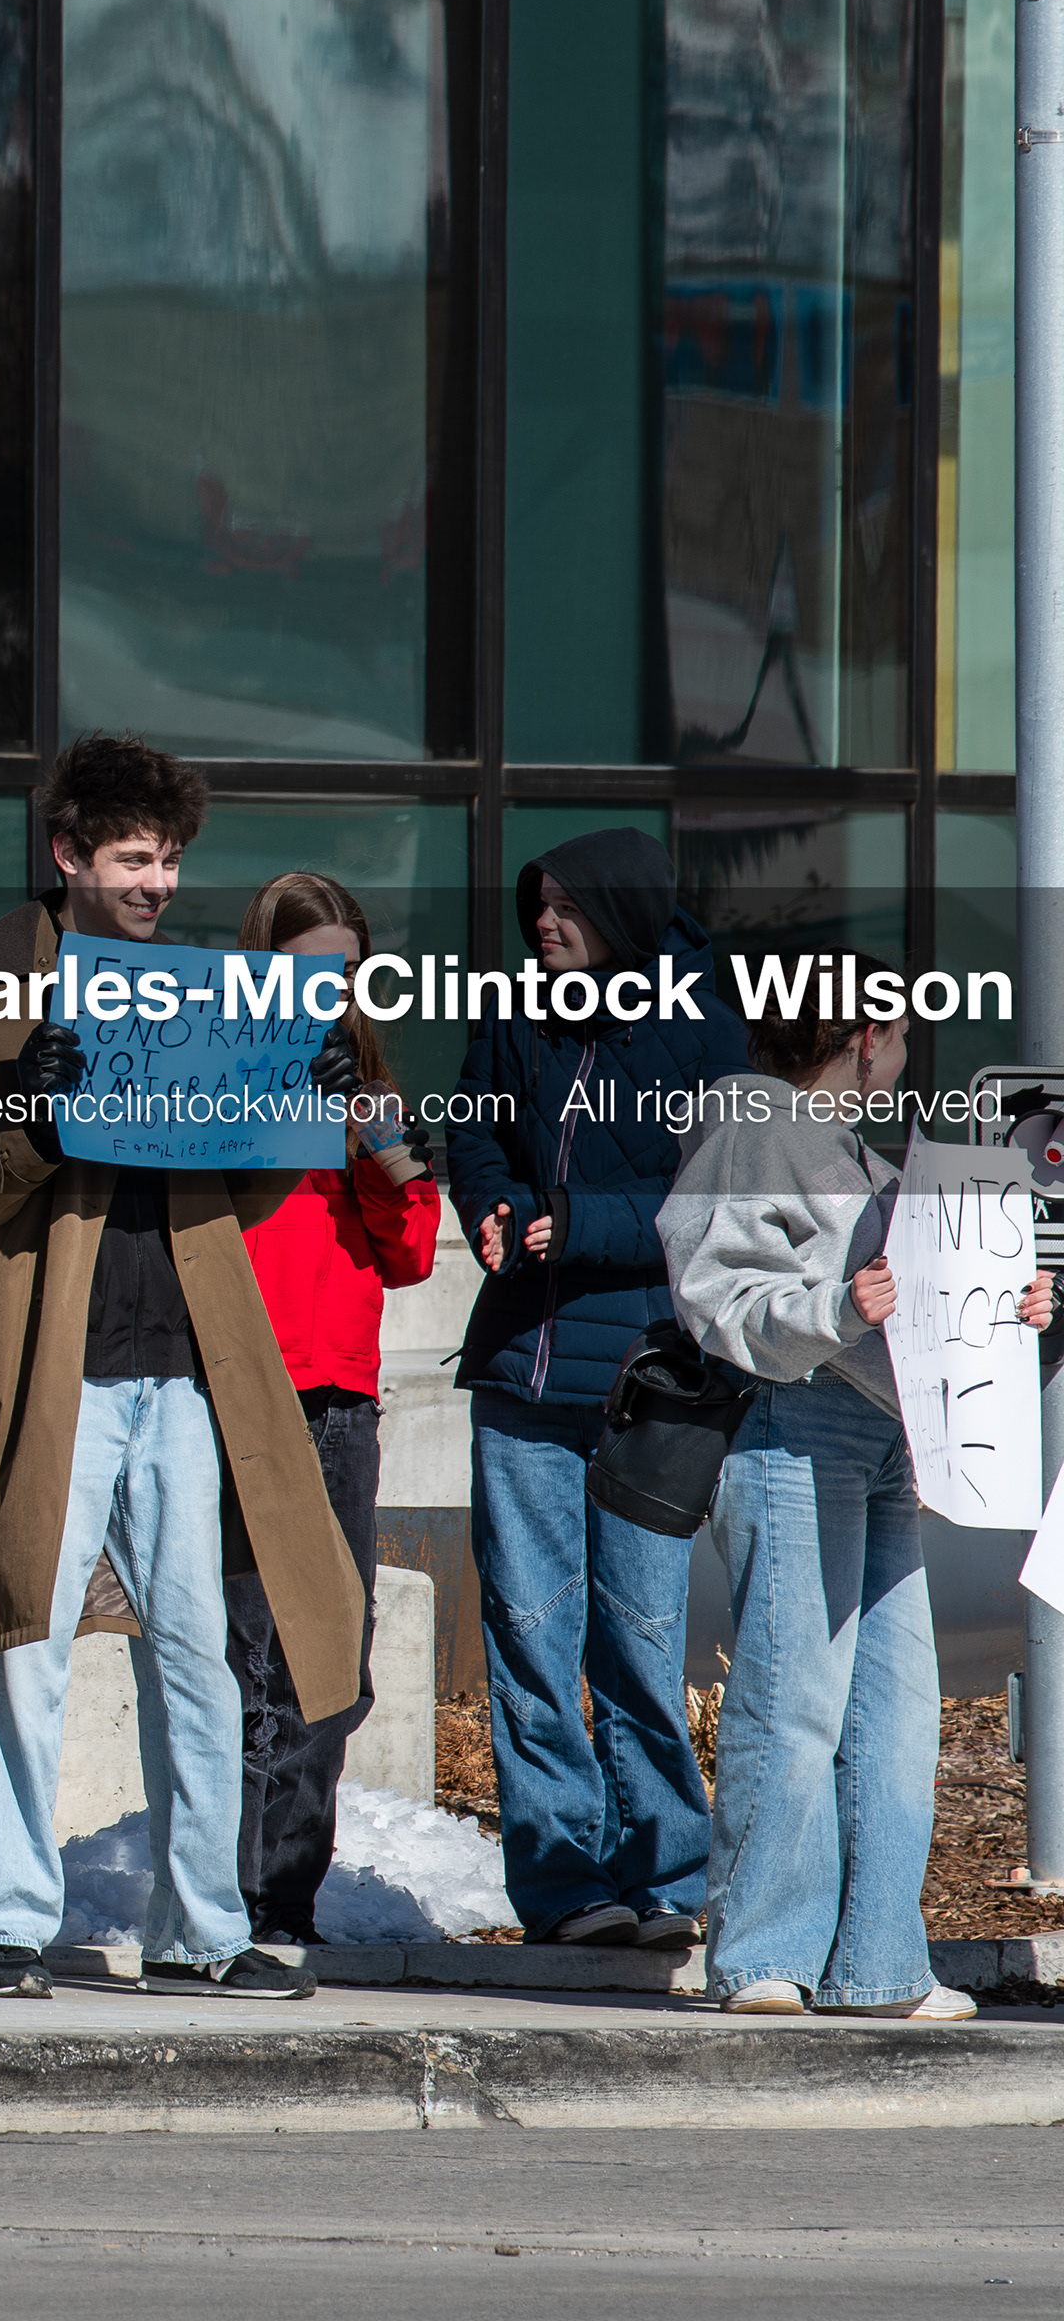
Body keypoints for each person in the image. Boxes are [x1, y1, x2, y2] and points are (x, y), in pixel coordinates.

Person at [0, 732, 358, 2004]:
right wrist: (31, 1119)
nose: (157, 881)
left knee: (196, 1654)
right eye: (132, 857)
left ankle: (204, 1927)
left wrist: (298, 1104)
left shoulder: (205, 991)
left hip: (189, 1369)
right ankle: (1, 1920)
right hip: (55, 1363)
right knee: (25, 1643)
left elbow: (248, 1186)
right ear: (68, 855)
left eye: (169, 858)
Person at [663, 961, 1036, 2022]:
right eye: (906, 1036)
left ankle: (875, 1957)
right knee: (797, 1693)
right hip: (796, 1421)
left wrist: (1013, 1310)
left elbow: (900, 1299)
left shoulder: (858, 1154)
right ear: (866, 1034)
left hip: (881, 1432)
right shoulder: (751, 1117)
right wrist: (837, 1303)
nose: (909, 1057)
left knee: (894, 1707)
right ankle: (767, 1954)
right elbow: (711, 1284)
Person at [447, 828, 748, 1948]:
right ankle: (565, 1885)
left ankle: (667, 1873)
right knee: (529, 1637)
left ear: (621, 913)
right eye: (539, 904)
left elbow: (708, 1192)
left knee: (638, 1638)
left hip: (650, 1383)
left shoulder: (701, 1027)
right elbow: (473, 1131)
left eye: (568, 906)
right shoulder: (513, 1012)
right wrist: (482, 1202)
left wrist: (579, 1224)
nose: (545, 923)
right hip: (522, 1368)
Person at [226, 871, 441, 1945]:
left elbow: (408, 1255)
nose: (328, 991)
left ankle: (283, 1899)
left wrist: (376, 1144)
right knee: (245, 1651)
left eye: (346, 972)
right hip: (232, 1387)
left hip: (335, 1398)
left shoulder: (368, 1086)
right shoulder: (210, 1070)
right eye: (308, 969)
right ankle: (225, 1893)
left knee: (326, 1665)